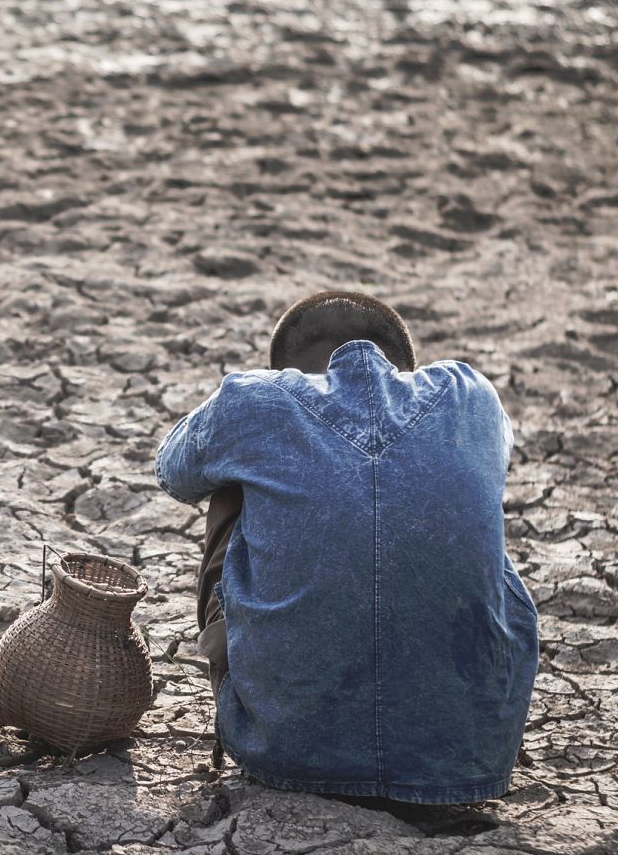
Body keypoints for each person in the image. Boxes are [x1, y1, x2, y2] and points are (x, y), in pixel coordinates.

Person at [155, 291, 538, 804]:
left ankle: (261, 708)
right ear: (402, 370)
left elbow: (173, 472)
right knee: (448, 498)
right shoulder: (469, 393)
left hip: (282, 751)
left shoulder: (256, 398)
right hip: (467, 760)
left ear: (286, 372)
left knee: (231, 485)